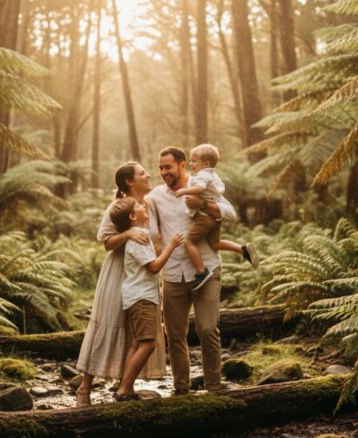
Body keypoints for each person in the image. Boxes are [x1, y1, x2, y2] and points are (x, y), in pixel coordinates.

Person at [74, 162, 167, 407]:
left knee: (136, 332)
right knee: (108, 322)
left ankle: (126, 385)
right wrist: (126, 235)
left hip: (143, 273)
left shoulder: (150, 206)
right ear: (129, 181)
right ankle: (85, 387)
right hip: (118, 273)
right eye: (142, 173)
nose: (148, 175)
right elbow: (106, 242)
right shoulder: (116, 207)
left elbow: (156, 239)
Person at [147, 146, 236, 395]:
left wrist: (205, 205)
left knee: (208, 330)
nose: (164, 172)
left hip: (206, 269)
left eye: (168, 167)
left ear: (182, 165)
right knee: (175, 335)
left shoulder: (204, 185)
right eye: (161, 168)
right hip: (173, 274)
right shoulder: (155, 196)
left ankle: (214, 388)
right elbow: (145, 222)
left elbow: (231, 213)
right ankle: (181, 390)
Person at [108, 197, 184, 401]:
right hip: (142, 298)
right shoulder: (139, 237)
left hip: (138, 296)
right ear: (133, 216)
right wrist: (172, 245)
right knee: (148, 344)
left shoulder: (140, 235)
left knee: (137, 343)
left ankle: (127, 387)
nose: (144, 206)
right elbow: (154, 267)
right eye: (139, 206)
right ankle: (123, 389)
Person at [175, 143, 259, 291]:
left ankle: (201, 272)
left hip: (204, 217)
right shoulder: (213, 175)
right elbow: (218, 190)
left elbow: (200, 189)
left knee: (188, 242)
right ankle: (243, 249)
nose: (191, 163)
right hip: (214, 217)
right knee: (215, 244)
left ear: (206, 163)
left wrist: (184, 191)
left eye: (194, 161)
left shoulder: (202, 176)